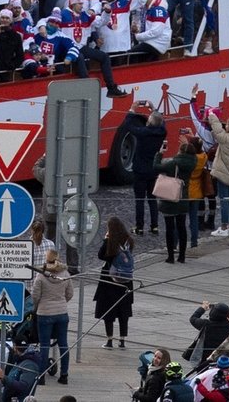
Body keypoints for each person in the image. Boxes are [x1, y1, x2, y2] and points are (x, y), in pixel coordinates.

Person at [119, 101, 167, 235]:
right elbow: (162, 122)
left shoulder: (143, 132)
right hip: (153, 170)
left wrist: (132, 109)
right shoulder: (162, 132)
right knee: (152, 199)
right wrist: (154, 109)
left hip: (140, 170)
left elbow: (128, 126)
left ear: (148, 123)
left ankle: (139, 227)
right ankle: (155, 226)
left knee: (139, 200)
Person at [31, 249, 72, 385]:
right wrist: (61, 302)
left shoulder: (41, 276)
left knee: (44, 345)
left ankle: (41, 376)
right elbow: (70, 293)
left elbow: (35, 296)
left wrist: (36, 307)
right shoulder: (65, 273)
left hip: (44, 313)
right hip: (62, 313)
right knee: (63, 344)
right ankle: (64, 375)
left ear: (46, 259)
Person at [93, 216, 134, 348]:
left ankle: (109, 340)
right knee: (124, 312)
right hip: (126, 281)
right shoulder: (129, 241)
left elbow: (101, 255)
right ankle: (122, 341)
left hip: (109, 281)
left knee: (108, 310)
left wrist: (106, 240)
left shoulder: (111, 242)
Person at [156, 138, 195, 263]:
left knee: (170, 228)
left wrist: (160, 153)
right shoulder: (193, 162)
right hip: (183, 197)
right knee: (181, 227)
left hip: (170, 197)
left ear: (181, 152)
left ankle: (171, 256)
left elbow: (156, 167)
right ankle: (182, 256)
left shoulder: (174, 163)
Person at [0, 338, 42, 402]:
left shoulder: (30, 365)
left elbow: (23, 386)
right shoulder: (20, 360)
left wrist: (4, 378)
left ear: (15, 347)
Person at [187, 302, 229, 367]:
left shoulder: (206, 324)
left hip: (204, 361)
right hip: (223, 361)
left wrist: (202, 308)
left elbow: (193, 318)